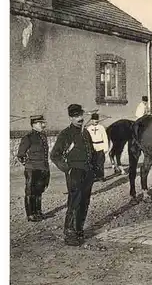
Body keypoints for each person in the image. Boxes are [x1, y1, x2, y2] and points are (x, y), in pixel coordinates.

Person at [50, 104, 95, 246]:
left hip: (87, 171)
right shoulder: (66, 134)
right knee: (75, 201)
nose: (80, 118)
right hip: (74, 172)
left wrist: (94, 167)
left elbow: (91, 151)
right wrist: (67, 169)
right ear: (70, 118)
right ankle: (69, 233)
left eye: (81, 115)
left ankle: (79, 229)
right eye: (76, 116)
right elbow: (55, 155)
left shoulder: (85, 133)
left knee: (85, 201)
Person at [17, 115, 50, 222]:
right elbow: (20, 155)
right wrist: (29, 165)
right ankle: (30, 214)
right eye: (41, 123)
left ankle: (38, 212)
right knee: (30, 191)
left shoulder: (43, 136)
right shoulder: (28, 137)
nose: (43, 125)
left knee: (39, 191)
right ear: (34, 124)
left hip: (42, 167)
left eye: (43, 123)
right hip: (32, 169)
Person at [86, 113, 109, 182]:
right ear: (91, 120)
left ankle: (101, 176)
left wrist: (106, 148)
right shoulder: (89, 128)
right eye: (94, 119)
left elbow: (105, 138)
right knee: (93, 162)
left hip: (100, 146)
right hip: (93, 147)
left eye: (96, 119)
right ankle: (95, 176)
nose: (95, 121)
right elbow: (87, 139)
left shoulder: (101, 127)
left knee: (100, 162)